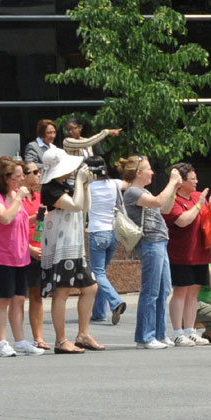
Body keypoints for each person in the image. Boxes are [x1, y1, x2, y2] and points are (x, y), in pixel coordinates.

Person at [38, 147, 101, 354]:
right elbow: (74, 204)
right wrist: (79, 186)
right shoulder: (49, 188)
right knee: (62, 292)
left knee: (90, 287)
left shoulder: (66, 184)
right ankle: (61, 339)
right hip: (61, 248)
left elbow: (85, 207)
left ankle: (83, 334)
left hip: (75, 246)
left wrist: (85, 184)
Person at [0, 156, 41, 357]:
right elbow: (5, 218)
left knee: (18, 299)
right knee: (3, 299)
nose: (21, 180)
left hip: (19, 255)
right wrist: (17, 199)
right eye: (17, 176)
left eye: (22, 176)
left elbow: (19, 221)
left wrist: (38, 217)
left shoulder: (16, 195)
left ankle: (21, 340)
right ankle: (2, 341)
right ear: (5, 177)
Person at [121, 156, 180, 349]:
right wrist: (171, 182)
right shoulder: (132, 192)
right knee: (151, 290)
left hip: (160, 242)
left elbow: (166, 207)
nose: (152, 173)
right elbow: (156, 202)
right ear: (138, 172)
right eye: (149, 169)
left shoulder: (143, 191)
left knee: (163, 290)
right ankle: (145, 337)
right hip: (149, 242)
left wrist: (174, 190)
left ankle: (159, 334)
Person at [165, 162, 211, 347]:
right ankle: (177, 332)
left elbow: (207, 219)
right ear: (180, 182)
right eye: (192, 178)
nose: (196, 182)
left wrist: (210, 207)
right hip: (181, 253)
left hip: (200, 252)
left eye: (196, 178)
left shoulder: (197, 196)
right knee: (180, 292)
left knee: (193, 293)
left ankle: (190, 330)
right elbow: (182, 221)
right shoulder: (173, 199)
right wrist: (198, 206)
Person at [85, 159, 126, 325]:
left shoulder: (87, 187)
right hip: (113, 233)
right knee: (102, 273)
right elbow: (128, 185)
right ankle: (99, 312)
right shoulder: (114, 183)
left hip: (97, 232)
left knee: (98, 273)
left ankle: (115, 302)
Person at [20, 159, 50, 350]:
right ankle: (19, 338)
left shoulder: (38, 197)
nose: (38, 175)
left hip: (39, 249)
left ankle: (38, 337)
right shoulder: (17, 197)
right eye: (34, 172)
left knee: (37, 294)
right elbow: (15, 226)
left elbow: (40, 225)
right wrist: (28, 248)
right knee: (17, 297)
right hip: (22, 250)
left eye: (39, 172)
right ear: (23, 176)